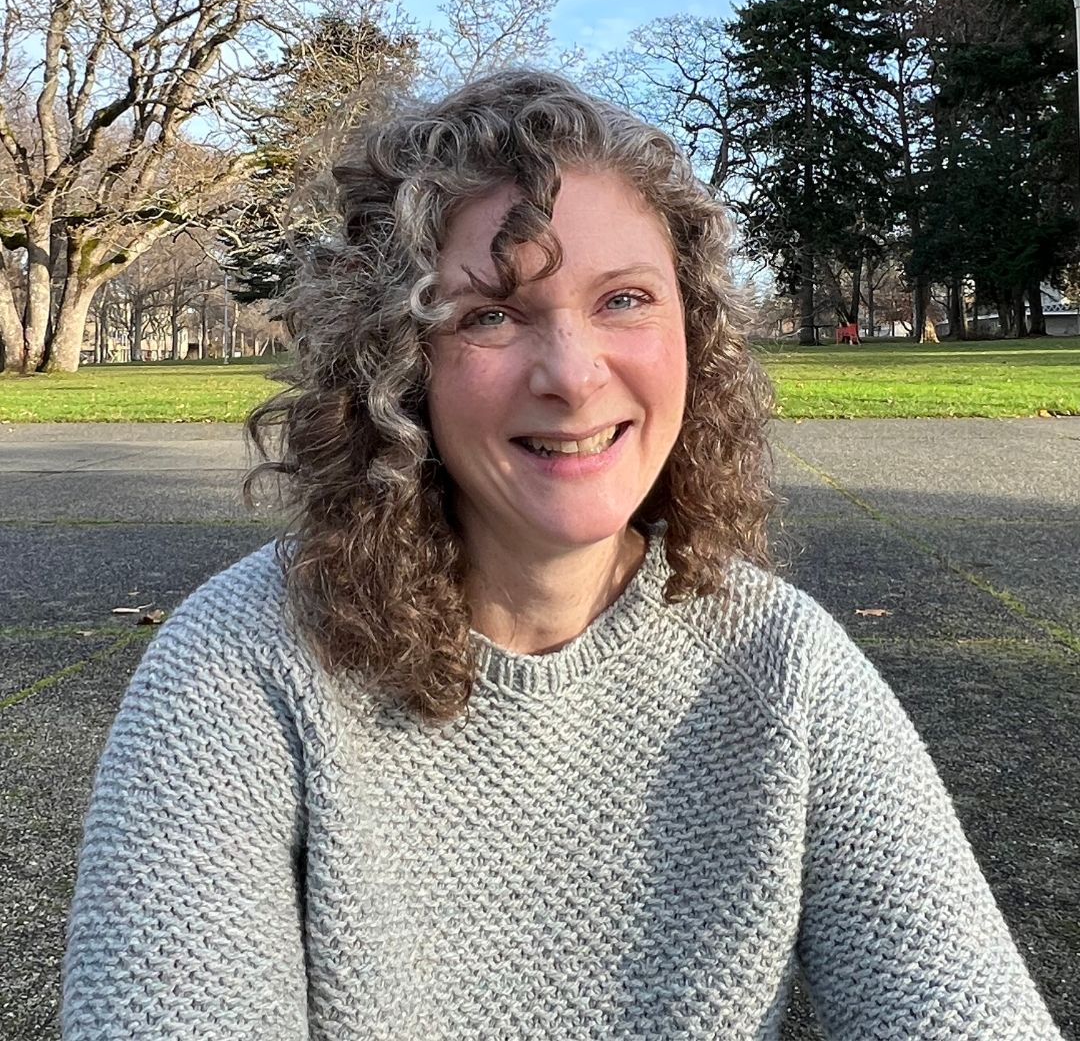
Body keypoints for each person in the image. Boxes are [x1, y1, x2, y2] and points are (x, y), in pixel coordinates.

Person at [62, 71, 1062, 1040]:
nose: (576, 380)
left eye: (624, 299)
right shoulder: (236, 672)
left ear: (694, 334)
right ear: (394, 364)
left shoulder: (783, 667)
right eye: (490, 313)